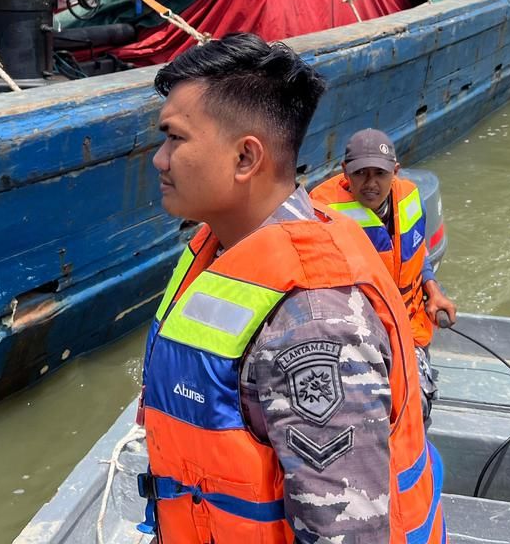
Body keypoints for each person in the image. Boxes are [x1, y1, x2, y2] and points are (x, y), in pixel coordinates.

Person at [137, 34, 444, 544]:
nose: (160, 160)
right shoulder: (223, 248)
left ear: (244, 158)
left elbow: (346, 532)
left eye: (175, 138)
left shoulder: (312, 320)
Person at [310, 129, 456, 421]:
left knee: (416, 406)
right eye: (361, 173)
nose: (371, 183)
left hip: (409, 328)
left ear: (396, 172)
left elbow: (417, 252)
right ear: (345, 173)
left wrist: (433, 289)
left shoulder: (411, 198)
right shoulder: (321, 214)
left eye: (380, 173)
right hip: (354, 336)